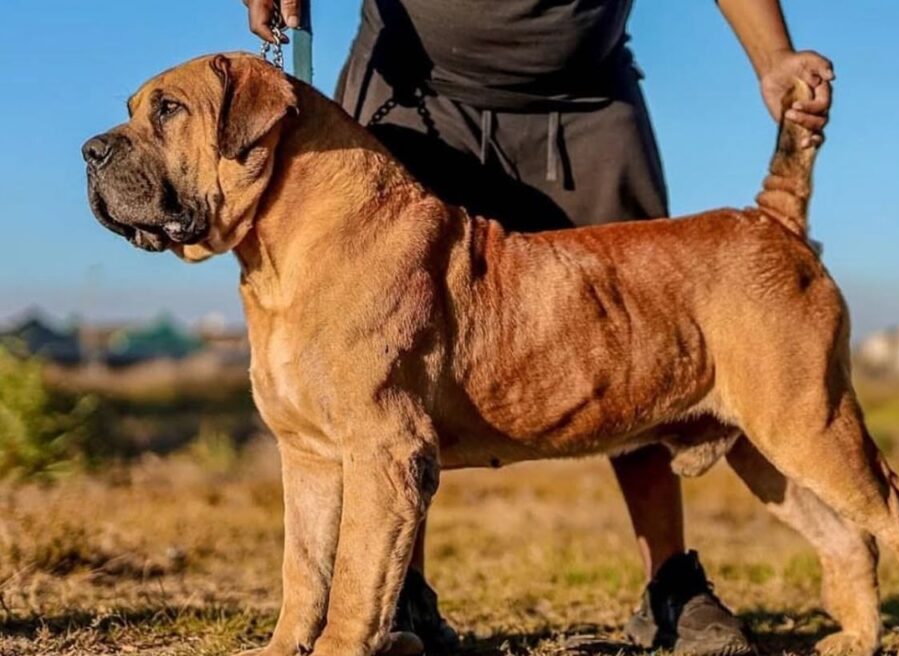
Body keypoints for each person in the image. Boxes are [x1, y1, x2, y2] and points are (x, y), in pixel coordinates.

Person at [242, 1, 833, 654]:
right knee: (387, 374)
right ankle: (399, 598)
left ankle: (670, 584)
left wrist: (774, 57)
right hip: (412, 93)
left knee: (644, 342)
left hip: (584, 100)